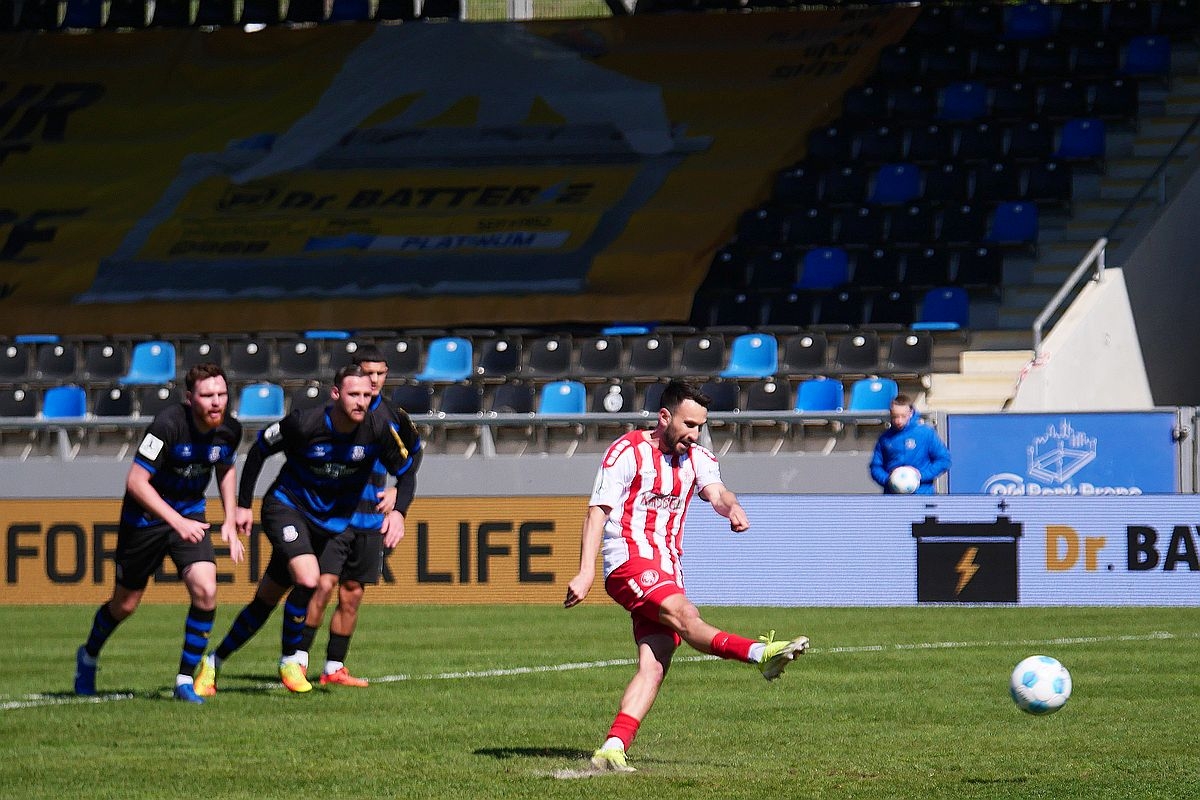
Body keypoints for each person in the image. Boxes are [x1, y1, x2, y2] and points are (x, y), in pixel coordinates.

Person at [563, 379, 809, 773]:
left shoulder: (698, 457)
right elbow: (598, 512)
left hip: (668, 568)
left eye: (700, 427)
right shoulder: (627, 451)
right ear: (664, 417)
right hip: (628, 561)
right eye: (689, 424)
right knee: (685, 615)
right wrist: (585, 571)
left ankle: (612, 747)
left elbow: (717, 493)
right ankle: (759, 653)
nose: (695, 434)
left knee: (656, 663)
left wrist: (732, 508)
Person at [195, 363, 414, 695]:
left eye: (367, 396)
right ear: (336, 394)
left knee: (266, 600)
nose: (361, 402)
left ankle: (212, 662)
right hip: (287, 507)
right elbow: (259, 450)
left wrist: (399, 512)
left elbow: (407, 471)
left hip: (329, 522)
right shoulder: (304, 423)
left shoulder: (378, 429)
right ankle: (290, 661)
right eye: (353, 394)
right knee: (310, 579)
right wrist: (243, 505)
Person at [73, 362, 243, 704]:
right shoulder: (167, 426)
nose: (216, 402)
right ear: (189, 398)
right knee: (125, 604)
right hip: (145, 521)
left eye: (222, 394)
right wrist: (176, 522)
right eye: (207, 395)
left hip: (190, 516)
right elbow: (136, 482)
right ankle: (88, 655)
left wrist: (230, 516)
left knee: (206, 590)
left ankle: (184, 680)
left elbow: (225, 467)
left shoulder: (230, 429)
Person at [869, 393, 951, 495]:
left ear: (911, 413)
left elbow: (944, 460)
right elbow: (876, 466)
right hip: (893, 497)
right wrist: (889, 480)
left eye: (903, 416)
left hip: (922, 494)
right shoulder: (885, 438)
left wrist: (921, 475)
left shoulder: (925, 433)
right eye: (895, 416)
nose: (899, 421)